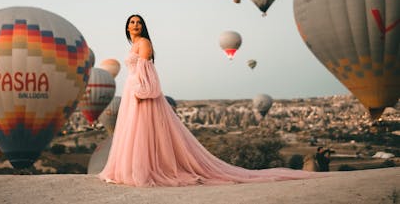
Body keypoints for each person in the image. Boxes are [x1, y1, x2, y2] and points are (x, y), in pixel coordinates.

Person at [98, 14, 327, 187]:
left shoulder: (144, 43)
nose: (135, 25)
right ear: (127, 27)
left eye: (138, 22)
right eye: (131, 22)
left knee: (142, 132)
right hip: (133, 90)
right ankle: (132, 170)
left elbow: (147, 72)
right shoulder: (134, 45)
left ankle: (145, 170)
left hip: (140, 90)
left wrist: (141, 91)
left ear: (143, 26)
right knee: (134, 132)